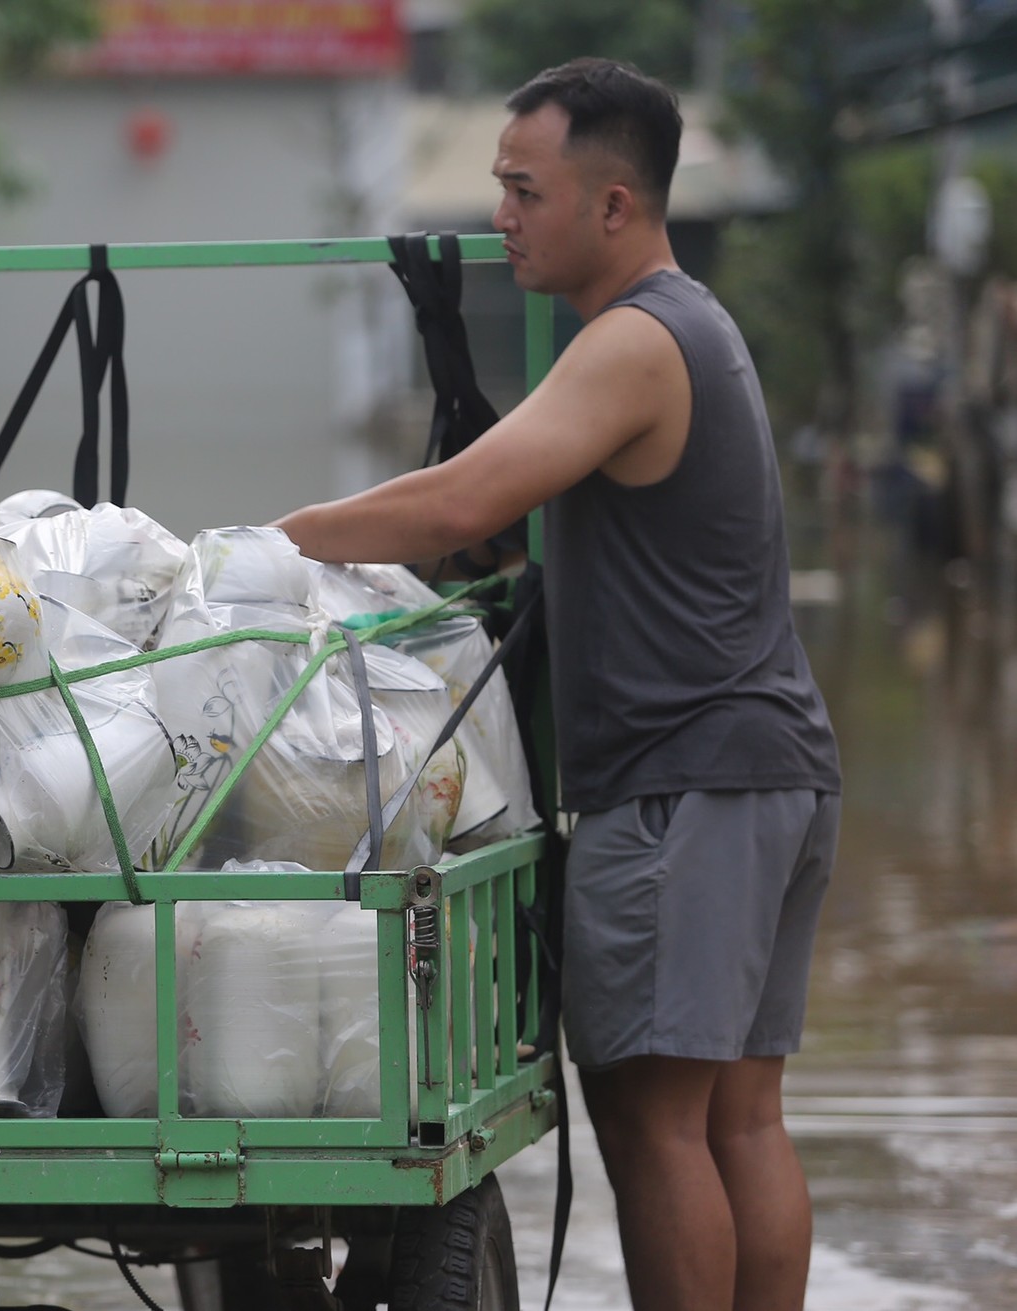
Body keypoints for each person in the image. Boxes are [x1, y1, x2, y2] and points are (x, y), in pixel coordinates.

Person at [273, 58, 841, 1311]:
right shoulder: (690, 327)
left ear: (615, 206)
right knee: (740, 1119)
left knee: (656, 1127)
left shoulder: (635, 340)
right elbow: (520, 531)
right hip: (770, 772)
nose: (502, 218)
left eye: (525, 191)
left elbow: (463, 497)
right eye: (500, 189)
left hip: (683, 791)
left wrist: (272, 543)